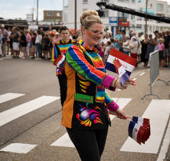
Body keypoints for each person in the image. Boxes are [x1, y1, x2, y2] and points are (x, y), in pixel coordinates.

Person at [62, 10, 133, 161]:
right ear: (83, 30)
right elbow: (89, 72)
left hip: (100, 116)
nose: (99, 36)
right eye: (95, 31)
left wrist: (115, 108)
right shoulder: (73, 51)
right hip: (79, 115)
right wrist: (115, 82)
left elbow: (99, 90)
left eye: (101, 32)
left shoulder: (96, 54)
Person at [52, 26, 76, 106]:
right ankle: (64, 106)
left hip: (73, 70)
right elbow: (54, 58)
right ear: (60, 35)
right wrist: (61, 62)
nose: (65, 35)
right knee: (63, 89)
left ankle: (73, 105)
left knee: (73, 88)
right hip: (61, 70)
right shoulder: (57, 45)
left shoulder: (74, 43)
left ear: (69, 33)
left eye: (66, 33)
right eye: (63, 33)